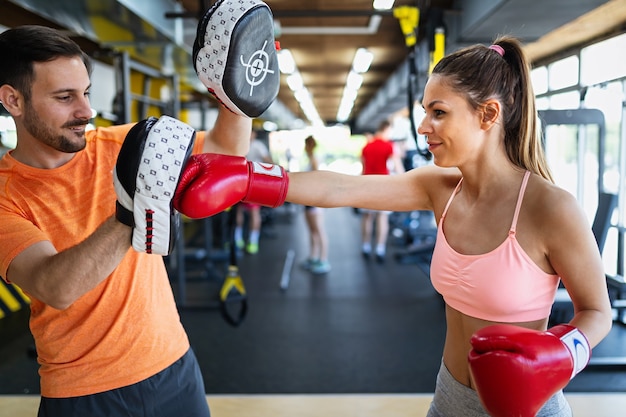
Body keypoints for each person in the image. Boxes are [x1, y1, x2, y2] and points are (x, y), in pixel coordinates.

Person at [173, 36, 613, 417]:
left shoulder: (550, 208)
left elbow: (597, 312)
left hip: (527, 408)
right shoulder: (441, 188)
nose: (424, 126)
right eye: (425, 111)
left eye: (438, 113)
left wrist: (561, 352)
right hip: (447, 399)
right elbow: (341, 189)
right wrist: (251, 179)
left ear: (488, 114)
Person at [0, 0, 278, 413]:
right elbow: (56, 287)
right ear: (13, 101)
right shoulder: (7, 195)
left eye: (86, 93)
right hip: (83, 392)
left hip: (174, 367)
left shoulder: (121, 145)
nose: (86, 111)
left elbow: (223, 152)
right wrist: (131, 212)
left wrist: (237, 98)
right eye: (65, 97)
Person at [360, 119, 405, 263]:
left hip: (367, 185)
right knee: (382, 218)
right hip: (382, 186)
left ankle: (365, 246)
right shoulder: (389, 146)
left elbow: (363, 169)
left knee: (367, 217)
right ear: (387, 129)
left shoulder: (367, 146)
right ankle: (380, 249)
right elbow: (398, 169)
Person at [234, 129, 273, 254]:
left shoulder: (254, 146)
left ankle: (252, 241)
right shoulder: (243, 145)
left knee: (253, 212)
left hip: (251, 183)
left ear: (254, 134)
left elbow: (267, 160)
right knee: (240, 211)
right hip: (243, 181)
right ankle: (239, 238)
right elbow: (268, 161)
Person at [299, 135, 331, 274]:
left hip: (315, 201)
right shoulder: (310, 159)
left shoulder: (314, 159)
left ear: (309, 145)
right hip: (308, 200)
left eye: (306, 145)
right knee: (312, 231)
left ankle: (324, 260)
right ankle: (313, 257)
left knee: (319, 231)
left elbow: (317, 179)